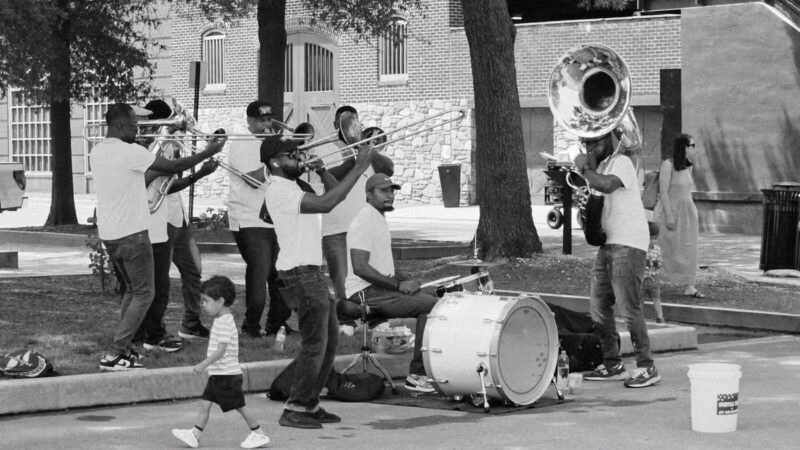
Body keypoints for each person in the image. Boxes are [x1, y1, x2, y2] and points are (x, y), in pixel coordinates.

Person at [91, 103, 224, 371]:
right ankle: (117, 351)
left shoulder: (97, 150)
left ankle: (125, 349)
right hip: (132, 234)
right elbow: (175, 164)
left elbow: (158, 179)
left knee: (133, 291)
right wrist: (209, 150)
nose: (136, 129)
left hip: (111, 234)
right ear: (118, 126)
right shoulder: (130, 152)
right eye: (132, 124)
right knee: (145, 293)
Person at [262, 137, 376, 429]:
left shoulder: (296, 186)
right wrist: (360, 164)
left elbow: (330, 195)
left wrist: (324, 170)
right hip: (299, 274)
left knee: (328, 343)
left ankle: (310, 403)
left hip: (310, 273)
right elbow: (329, 202)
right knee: (315, 344)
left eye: (299, 153)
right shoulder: (279, 190)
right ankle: (295, 407)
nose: (299, 158)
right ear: (275, 162)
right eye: (292, 154)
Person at [573, 132, 661, 388]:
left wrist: (585, 169)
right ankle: (613, 363)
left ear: (608, 140)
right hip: (609, 242)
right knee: (599, 305)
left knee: (629, 307)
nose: (589, 147)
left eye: (594, 142)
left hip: (629, 242)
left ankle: (647, 367)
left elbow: (607, 185)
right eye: (586, 143)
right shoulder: (599, 168)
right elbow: (598, 205)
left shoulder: (620, 160)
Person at [341, 173, 438, 393]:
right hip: (365, 293)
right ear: (368, 194)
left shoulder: (377, 218)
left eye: (392, 191)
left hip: (379, 288)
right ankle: (417, 375)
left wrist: (405, 280)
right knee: (430, 307)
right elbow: (360, 267)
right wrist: (397, 286)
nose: (390, 195)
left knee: (435, 296)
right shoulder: (363, 221)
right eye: (383, 191)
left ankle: (436, 367)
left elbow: (384, 268)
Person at [139, 98, 215, 341]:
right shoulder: (146, 148)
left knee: (193, 270)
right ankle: (153, 330)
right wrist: (199, 173)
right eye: (169, 121)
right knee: (158, 282)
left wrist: (198, 172)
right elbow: (163, 185)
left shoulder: (169, 143)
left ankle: (191, 323)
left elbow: (171, 182)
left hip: (177, 216)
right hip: (160, 218)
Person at [171, 276, 271, 449]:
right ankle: (194, 434)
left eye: (206, 301)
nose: (203, 305)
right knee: (205, 404)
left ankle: (259, 433)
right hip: (220, 374)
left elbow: (221, 350)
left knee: (239, 406)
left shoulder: (224, 322)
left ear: (220, 301)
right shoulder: (221, 320)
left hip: (227, 375)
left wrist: (203, 364)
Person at [312, 106, 394, 305]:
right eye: (343, 122)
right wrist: (354, 160)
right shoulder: (323, 147)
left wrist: (368, 150)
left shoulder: (366, 149)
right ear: (334, 125)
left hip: (366, 226)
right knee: (342, 281)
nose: (348, 127)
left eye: (352, 122)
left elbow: (388, 169)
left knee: (375, 275)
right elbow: (331, 179)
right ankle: (346, 323)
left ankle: (371, 316)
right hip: (337, 229)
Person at [227, 100, 292, 338]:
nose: (266, 124)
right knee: (260, 271)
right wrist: (274, 159)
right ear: (250, 121)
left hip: (274, 216)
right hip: (248, 216)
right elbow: (252, 181)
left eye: (268, 119)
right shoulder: (241, 143)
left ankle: (277, 324)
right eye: (260, 120)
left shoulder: (271, 141)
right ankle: (250, 326)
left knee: (282, 273)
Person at [655, 133, 703, 298]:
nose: (693, 149)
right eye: (691, 146)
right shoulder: (668, 165)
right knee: (667, 248)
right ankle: (654, 281)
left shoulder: (689, 165)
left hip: (688, 211)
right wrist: (669, 215)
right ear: (683, 147)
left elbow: (688, 190)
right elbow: (663, 191)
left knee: (689, 248)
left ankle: (689, 285)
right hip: (672, 210)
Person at [644, 221, 665, 324]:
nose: (653, 241)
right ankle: (638, 318)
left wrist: (657, 268)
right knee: (638, 300)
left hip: (653, 279)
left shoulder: (657, 249)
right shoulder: (640, 250)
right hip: (641, 280)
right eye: (650, 239)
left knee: (656, 298)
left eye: (655, 239)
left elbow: (660, 262)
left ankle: (660, 317)